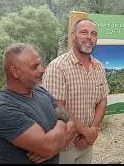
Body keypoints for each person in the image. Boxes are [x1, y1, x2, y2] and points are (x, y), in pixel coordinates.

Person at [0, 43, 75, 164]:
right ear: (15, 72)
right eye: (35, 67)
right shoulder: (2, 110)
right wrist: (62, 123)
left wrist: (54, 148)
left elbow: (72, 123)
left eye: (40, 64)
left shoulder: (39, 90)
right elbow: (48, 146)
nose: (42, 69)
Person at [42, 18, 108, 164]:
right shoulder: (58, 67)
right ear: (72, 36)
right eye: (84, 32)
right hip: (64, 146)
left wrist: (93, 131)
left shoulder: (99, 67)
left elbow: (102, 100)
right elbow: (57, 107)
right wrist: (86, 131)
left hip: (87, 143)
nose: (89, 37)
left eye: (93, 34)